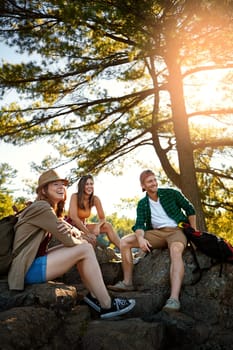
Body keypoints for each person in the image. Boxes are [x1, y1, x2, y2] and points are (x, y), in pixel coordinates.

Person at [8, 169, 135, 319]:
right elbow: (68, 239)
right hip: (27, 268)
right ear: (44, 190)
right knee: (85, 249)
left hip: (33, 261)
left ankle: (95, 297)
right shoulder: (41, 207)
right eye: (55, 184)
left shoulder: (47, 209)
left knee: (82, 248)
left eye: (63, 185)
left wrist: (74, 231)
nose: (61, 187)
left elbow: (69, 230)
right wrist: (76, 236)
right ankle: (107, 305)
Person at [108, 169, 197, 312]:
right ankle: (127, 282)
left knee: (175, 251)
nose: (154, 183)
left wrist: (193, 233)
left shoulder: (171, 193)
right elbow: (139, 225)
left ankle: (174, 299)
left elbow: (190, 209)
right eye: (150, 181)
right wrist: (141, 239)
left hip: (176, 231)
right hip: (157, 234)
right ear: (143, 186)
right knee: (125, 242)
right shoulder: (143, 203)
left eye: (155, 180)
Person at [68, 175, 120, 250]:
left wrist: (97, 226)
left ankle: (124, 251)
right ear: (82, 186)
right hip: (72, 226)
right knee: (91, 240)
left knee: (107, 226)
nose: (90, 186)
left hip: (84, 226)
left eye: (91, 184)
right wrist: (88, 233)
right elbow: (74, 217)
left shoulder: (95, 199)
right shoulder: (75, 196)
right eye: (87, 184)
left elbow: (102, 218)